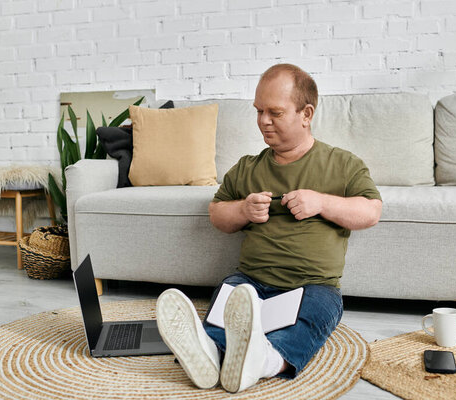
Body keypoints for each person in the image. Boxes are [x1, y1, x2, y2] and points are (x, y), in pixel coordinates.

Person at [156, 64, 382, 393]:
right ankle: (209, 353)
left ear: (306, 114)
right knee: (229, 301)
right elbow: (218, 214)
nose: (263, 120)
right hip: (251, 283)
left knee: (312, 317)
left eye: (274, 112)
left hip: (312, 287)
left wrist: (321, 202)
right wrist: (243, 209)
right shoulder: (248, 168)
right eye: (259, 111)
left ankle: (264, 360)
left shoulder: (342, 164)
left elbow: (371, 210)